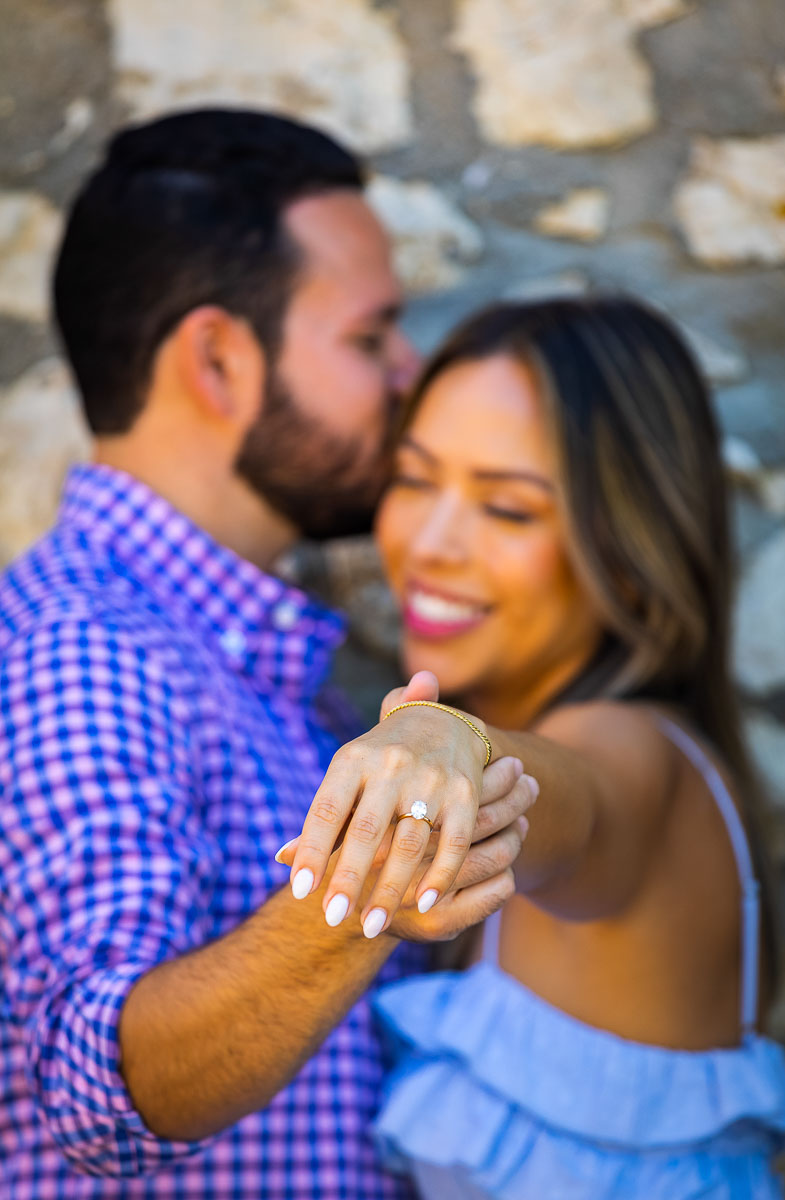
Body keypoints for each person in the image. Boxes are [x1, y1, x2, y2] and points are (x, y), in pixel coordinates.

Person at [0, 110, 535, 1198]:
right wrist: (373, 885)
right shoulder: (85, 651)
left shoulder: (264, 665)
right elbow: (100, 1078)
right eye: (367, 335)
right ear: (217, 360)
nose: (408, 370)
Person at [286, 297, 785, 1197]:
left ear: (632, 552)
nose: (429, 545)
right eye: (414, 479)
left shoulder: (629, 749)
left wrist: (446, 739)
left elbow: (571, 800)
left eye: (508, 508)